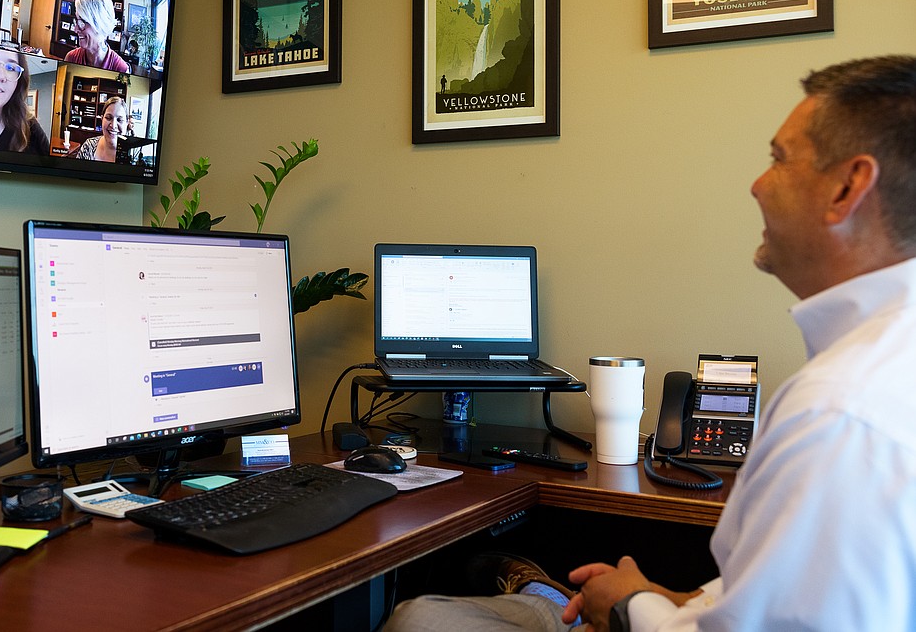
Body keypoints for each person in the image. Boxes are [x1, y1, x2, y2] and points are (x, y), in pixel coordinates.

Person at [386, 55, 916, 632]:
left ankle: (541, 595)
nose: (757, 185)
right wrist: (652, 594)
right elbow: (775, 599)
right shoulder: (884, 369)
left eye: (779, 159)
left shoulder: (838, 416)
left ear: (847, 187)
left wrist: (627, 606)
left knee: (417, 619)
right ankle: (541, 593)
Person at [64, 0, 129, 72]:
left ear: (100, 25)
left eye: (82, 23)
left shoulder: (120, 68)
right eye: (76, 21)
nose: (76, 29)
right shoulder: (71, 57)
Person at [70, 96, 126, 162]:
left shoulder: (133, 153)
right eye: (108, 118)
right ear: (102, 119)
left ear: (127, 123)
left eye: (119, 120)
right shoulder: (88, 146)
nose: (113, 126)